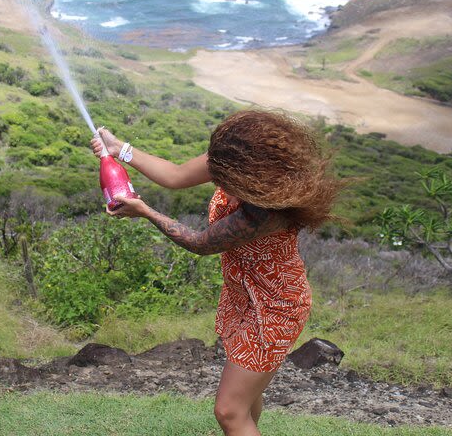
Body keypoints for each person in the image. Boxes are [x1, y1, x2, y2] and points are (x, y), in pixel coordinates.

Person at [90, 109, 340, 436]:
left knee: (228, 411)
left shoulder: (266, 210)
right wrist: (117, 147)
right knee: (246, 401)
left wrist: (145, 211)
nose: (215, 175)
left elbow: (200, 243)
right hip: (244, 297)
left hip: (276, 306)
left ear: (253, 174)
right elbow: (176, 175)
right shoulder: (233, 159)